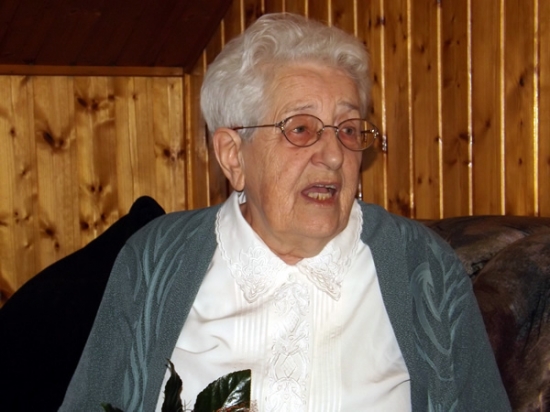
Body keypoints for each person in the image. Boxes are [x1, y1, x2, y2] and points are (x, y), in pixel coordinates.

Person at [59, 13, 511, 412]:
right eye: (301, 129)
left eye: (348, 129)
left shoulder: (422, 266)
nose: (333, 155)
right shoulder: (156, 257)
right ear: (233, 155)